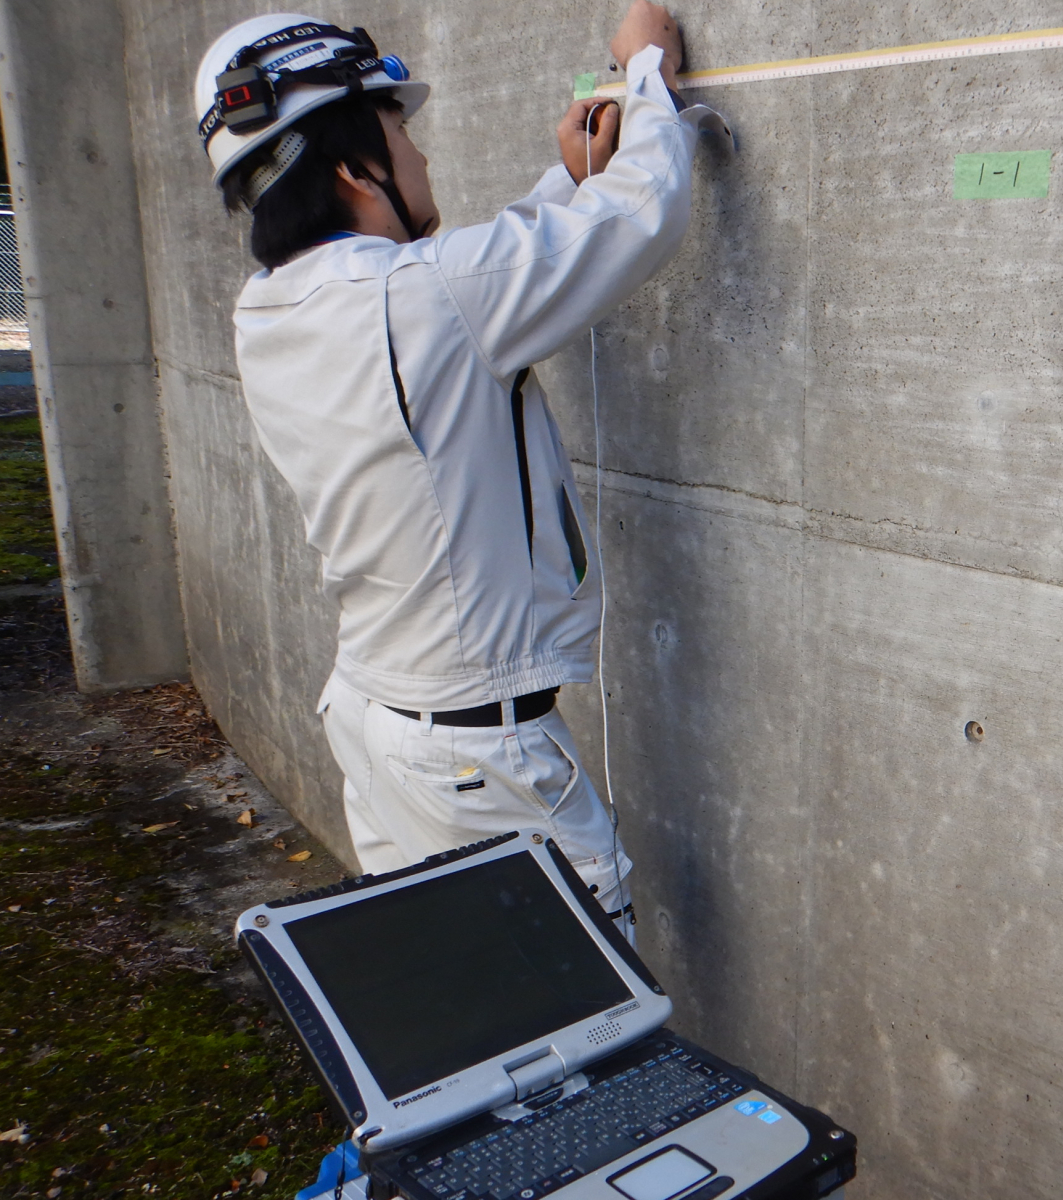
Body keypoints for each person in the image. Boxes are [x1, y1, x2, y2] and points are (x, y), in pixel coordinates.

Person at [192, 1, 711, 941]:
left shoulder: (266, 310)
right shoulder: (426, 299)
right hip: (482, 760)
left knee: (467, 1015)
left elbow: (459, 293)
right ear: (355, 167)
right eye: (402, 131)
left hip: (377, 723)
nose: (421, 156)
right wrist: (644, 75)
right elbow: (641, 215)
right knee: (582, 1037)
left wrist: (564, 177)